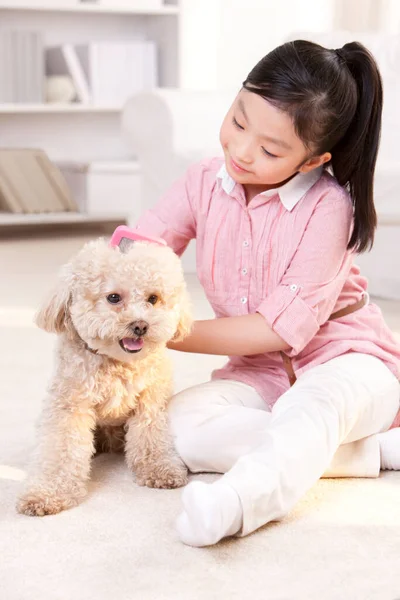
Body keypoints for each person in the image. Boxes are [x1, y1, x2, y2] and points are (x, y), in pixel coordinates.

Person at [135, 40, 400, 547]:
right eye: (238, 121)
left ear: (312, 160)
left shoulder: (329, 207)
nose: (240, 151)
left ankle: (237, 505)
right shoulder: (201, 182)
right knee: (172, 429)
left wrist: (161, 332)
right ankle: (375, 453)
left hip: (347, 361)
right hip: (259, 376)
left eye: (271, 149)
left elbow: (276, 328)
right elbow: (142, 251)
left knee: (315, 406)